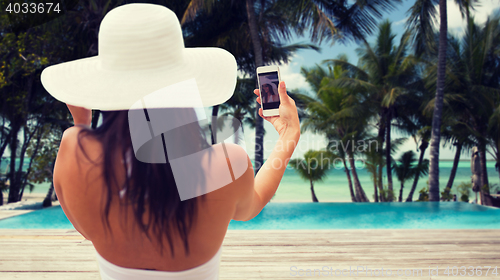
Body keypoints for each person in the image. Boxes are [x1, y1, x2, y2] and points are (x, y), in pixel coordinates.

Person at [41, 3, 300, 280]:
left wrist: (81, 125)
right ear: (181, 84)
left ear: (108, 87)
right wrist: (289, 136)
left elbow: (87, 227)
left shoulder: (73, 150)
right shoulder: (227, 163)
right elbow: (254, 203)